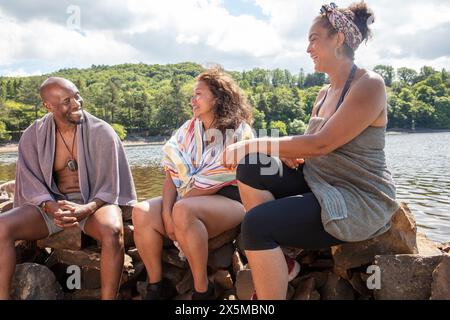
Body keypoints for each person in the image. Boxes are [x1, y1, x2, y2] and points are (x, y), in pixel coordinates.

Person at [221, 2, 399, 299]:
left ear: (338, 38)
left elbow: (323, 143)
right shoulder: (324, 92)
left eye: (314, 39)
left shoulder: (369, 84)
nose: (307, 49)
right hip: (320, 183)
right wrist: (287, 152)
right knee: (251, 166)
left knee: (256, 224)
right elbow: (313, 148)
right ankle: (284, 258)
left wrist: (250, 142)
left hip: (356, 197)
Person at [0, 77, 137, 300]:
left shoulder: (103, 132)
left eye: (77, 95)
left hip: (93, 201)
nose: (76, 103)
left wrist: (87, 208)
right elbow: (31, 181)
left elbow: (111, 185)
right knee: (2, 226)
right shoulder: (33, 136)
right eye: (66, 101)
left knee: (112, 231)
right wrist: (50, 205)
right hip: (51, 204)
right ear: (48, 106)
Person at [132, 68, 254, 300]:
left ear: (217, 98)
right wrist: (167, 214)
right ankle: (156, 286)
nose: (192, 100)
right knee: (141, 212)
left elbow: (214, 181)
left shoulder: (238, 131)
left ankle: (201, 290)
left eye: (198, 94)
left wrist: (175, 212)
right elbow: (171, 173)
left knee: (183, 210)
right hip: (187, 201)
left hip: (230, 201)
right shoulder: (189, 128)